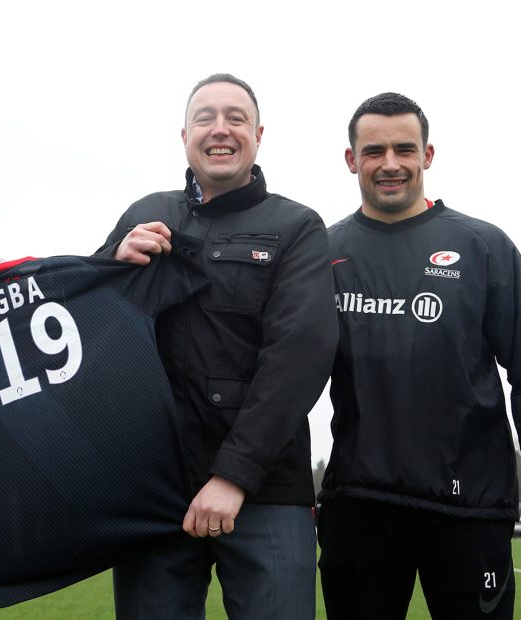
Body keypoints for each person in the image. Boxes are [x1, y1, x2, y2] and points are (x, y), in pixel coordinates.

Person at [99, 73, 337, 620]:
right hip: (154, 492)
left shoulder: (297, 226)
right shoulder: (143, 214)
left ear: (259, 135)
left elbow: (299, 355)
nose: (220, 129)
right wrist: (111, 263)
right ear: (185, 135)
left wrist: (233, 475)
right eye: (205, 118)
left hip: (265, 489)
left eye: (236, 118)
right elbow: (85, 329)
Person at [317, 92, 520, 620]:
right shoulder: (322, 255)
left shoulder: (483, 247)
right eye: (374, 151)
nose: (390, 164)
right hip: (359, 507)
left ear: (427, 155)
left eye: (404, 149)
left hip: (470, 509)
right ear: (351, 159)